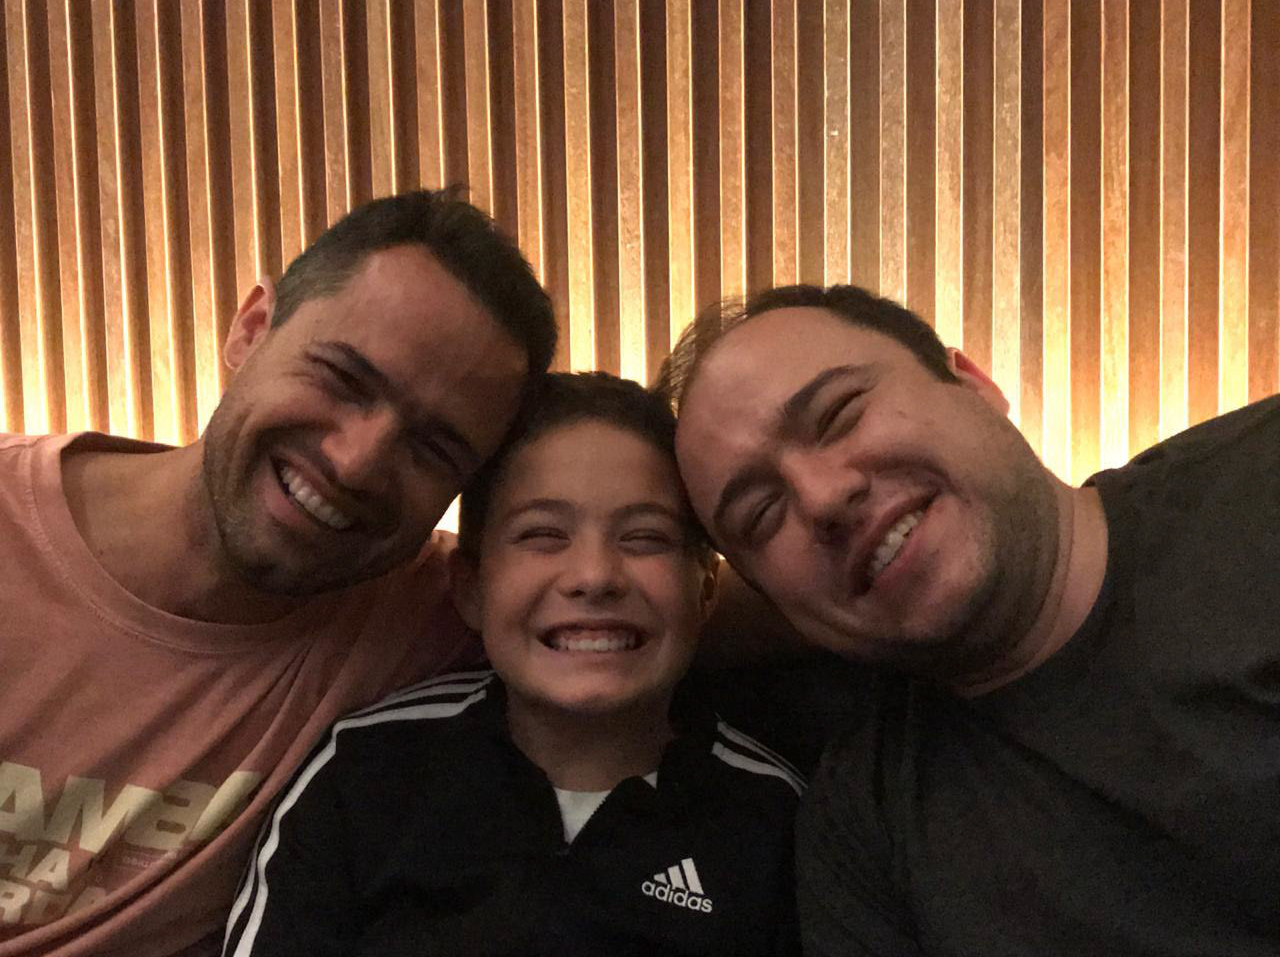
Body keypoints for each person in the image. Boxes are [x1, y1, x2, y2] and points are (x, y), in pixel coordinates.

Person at [0, 188, 556, 957]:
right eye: (342, 379)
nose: (355, 464)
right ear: (251, 328)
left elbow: (679, 609)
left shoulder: (437, 611)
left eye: (433, 449)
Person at [659, 283, 1280, 956]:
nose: (824, 497)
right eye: (761, 514)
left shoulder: (1257, 489)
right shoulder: (866, 837)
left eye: (839, 414)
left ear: (975, 385)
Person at [222, 372, 804, 957]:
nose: (595, 576)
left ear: (706, 590)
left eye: (645, 538)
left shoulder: (777, 817)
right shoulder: (365, 771)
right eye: (543, 534)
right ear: (470, 588)